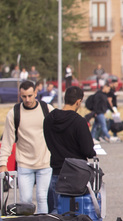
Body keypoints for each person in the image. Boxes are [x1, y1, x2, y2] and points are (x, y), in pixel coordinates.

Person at [0, 81, 52, 213]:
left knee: (42, 198)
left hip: (45, 163)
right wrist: (2, 163)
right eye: (24, 96)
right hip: (24, 164)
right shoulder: (14, 113)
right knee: (25, 201)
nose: (27, 99)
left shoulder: (47, 109)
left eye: (30, 95)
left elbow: (59, 131)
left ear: (36, 93)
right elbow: (7, 140)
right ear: (20, 95)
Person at [42, 86, 97, 211]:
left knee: (56, 211)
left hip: (56, 171)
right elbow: (87, 150)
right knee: (76, 212)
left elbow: (48, 142)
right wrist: (93, 151)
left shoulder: (49, 119)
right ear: (78, 101)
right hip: (76, 173)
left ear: (64, 98)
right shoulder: (79, 122)